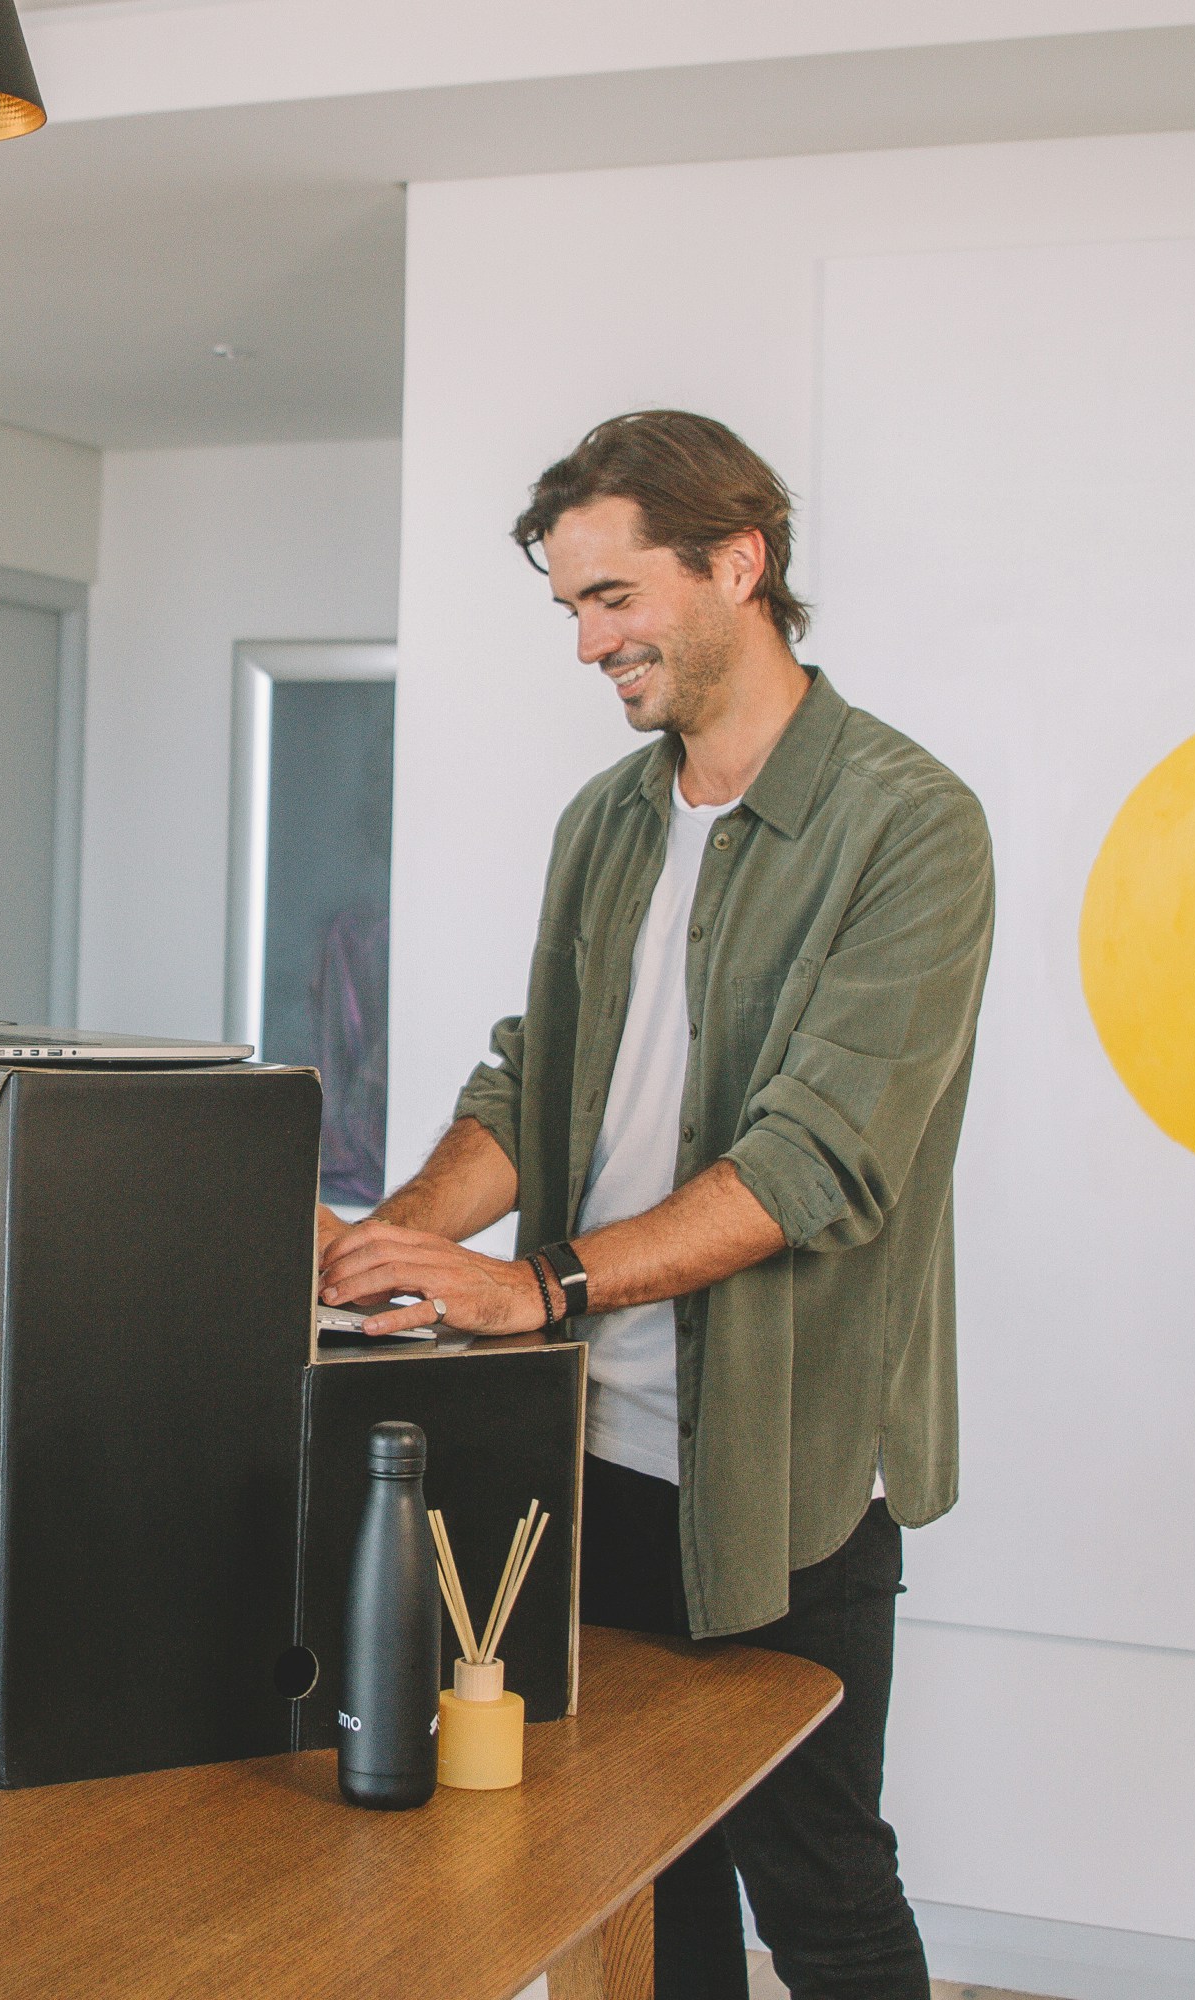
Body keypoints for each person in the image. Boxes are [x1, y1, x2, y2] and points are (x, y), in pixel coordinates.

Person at [317, 410, 993, 1999]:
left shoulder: (909, 824)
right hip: (581, 1445)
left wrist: (535, 1284)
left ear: (737, 564)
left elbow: (815, 1156)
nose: (588, 643)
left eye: (614, 598)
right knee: (620, 1862)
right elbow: (530, 1080)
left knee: (814, 1877)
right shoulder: (610, 823)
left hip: (781, 1466)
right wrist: (398, 1240)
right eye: (570, 609)